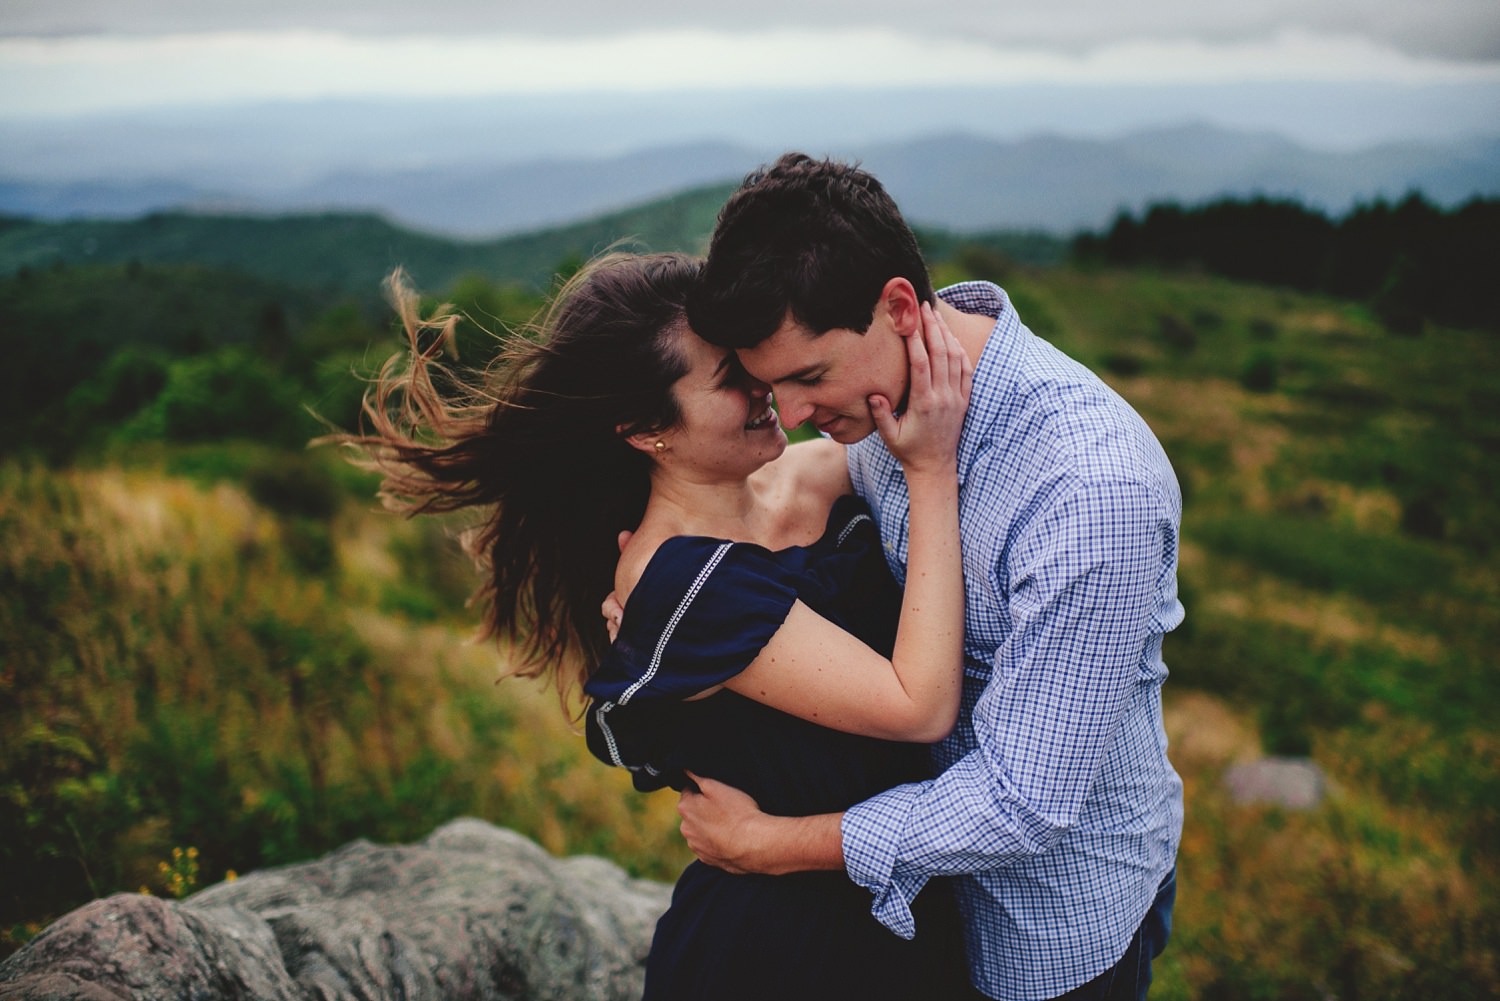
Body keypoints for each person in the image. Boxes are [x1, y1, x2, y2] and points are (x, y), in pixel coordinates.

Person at [341, 252, 983, 999]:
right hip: (791, 949)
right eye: (729, 377)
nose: (765, 386)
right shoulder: (677, 583)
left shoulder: (810, 477)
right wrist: (929, 475)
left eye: (755, 361)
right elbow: (918, 704)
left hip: (906, 915)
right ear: (647, 429)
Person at [673, 153, 1185, 1001]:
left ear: (900, 307)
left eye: (808, 377)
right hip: (919, 894)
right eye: (771, 386)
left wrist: (766, 842)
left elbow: (1024, 803)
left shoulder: (1091, 494)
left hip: (1047, 921)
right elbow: (799, 481)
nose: (794, 418)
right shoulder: (890, 402)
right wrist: (664, 577)